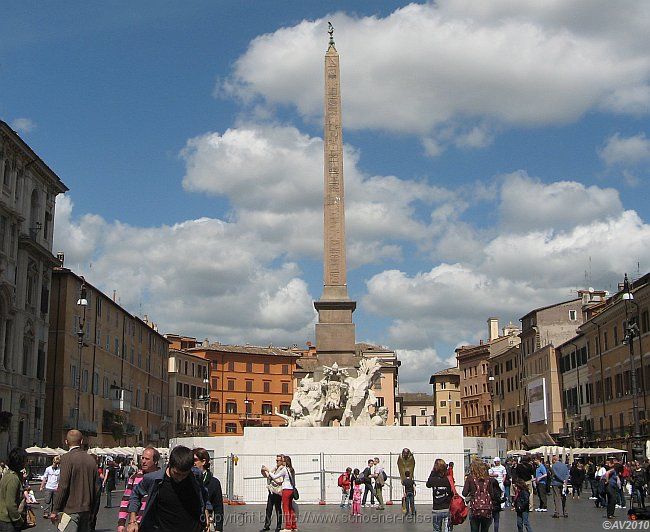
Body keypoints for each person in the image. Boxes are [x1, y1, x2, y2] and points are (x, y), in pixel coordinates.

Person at [127, 445, 207, 532]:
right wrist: (132, 520)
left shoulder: (196, 475)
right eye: (176, 474)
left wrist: (206, 513)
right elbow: (135, 494)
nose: (180, 478)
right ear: (170, 465)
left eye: (184, 475)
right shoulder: (154, 479)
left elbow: (203, 494)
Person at [50, 429, 99, 531]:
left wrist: (55, 510)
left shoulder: (66, 458)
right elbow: (97, 489)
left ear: (66, 442)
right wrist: (93, 511)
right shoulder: (91, 460)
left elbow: (63, 485)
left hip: (70, 510)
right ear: (81, 441)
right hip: (87, 509)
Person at [117, 447, 160, 532]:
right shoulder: (135, 477)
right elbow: (126, 500)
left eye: (147, 459)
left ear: (155, 461)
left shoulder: (161, 477)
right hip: (137, 524)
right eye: (142, 458)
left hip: (156, 524)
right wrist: (121, 523)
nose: (143, 461)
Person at [463, 460, 501, 532]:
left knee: (474, 529)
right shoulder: (488, 479)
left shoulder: (470, 478)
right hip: (486, 508)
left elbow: (464, 493)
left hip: (475, 508)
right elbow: (492, 494)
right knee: (485, 529)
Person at [193, 448, 224, 532]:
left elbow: (218, 507)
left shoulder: (214, 482)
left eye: (195, 460)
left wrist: (218, 528)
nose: (193, 463)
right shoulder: (187, 479)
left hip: (206, 523)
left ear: (203, 462)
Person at [263, 454, 297, 532]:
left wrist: (268, 470)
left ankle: (288, 527)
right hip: (291, 490)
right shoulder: (292, 469)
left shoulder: (285, 469)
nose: (281, 462)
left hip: (286, 490)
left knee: (285, 509)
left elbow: (275, 477)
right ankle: (294, 526)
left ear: (285, 462)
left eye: (282, 460)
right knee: (290, 509)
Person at [0, 448, 27, 531]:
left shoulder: (8, 474)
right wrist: (18, 520)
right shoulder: (13, 478)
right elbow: (10, 504)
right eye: (25, 460)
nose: (26, 462)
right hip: (8, 521)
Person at [426, 459, 453, 532]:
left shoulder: (433, 479)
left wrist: (432, 471)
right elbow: (452, 492)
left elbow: (428, 484)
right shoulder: (448, 479)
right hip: (447, 508)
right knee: (448, 529)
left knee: (436, 529)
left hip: (437, 509)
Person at [261, 455, 284, 531]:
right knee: (269, 509)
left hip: (277, 492)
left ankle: (279, 525)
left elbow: (277, 479)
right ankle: (267, 525)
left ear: (282, 461)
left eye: (278, 460)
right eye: (276, 460)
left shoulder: (282, 469)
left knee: (278, 509)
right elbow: (269, 476)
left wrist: (268, 470)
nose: (277, 462)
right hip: (272, 491)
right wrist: (263, 471)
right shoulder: (276, 468)